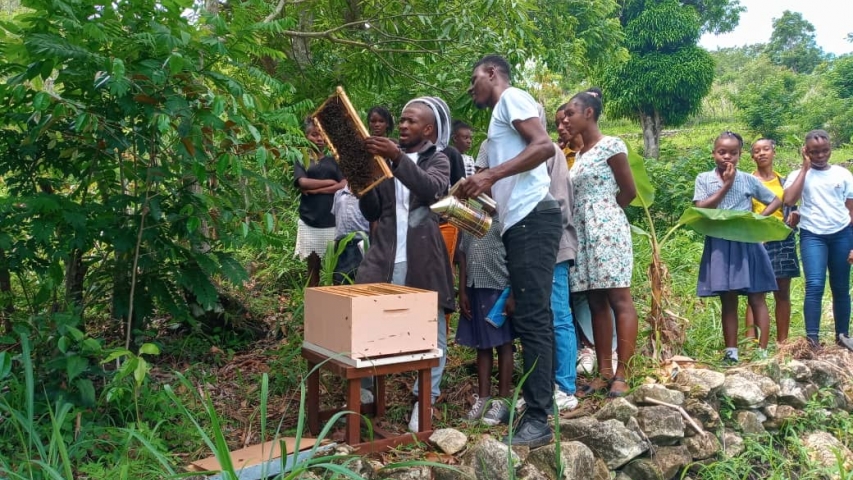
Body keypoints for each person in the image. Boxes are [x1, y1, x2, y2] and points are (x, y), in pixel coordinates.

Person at [459, 54, 562, 448]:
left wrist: (490, 174)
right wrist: (478, 188)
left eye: (474, 79)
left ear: (491, 73)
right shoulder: (498, 118)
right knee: (533, 316)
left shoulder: (512, 97)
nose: (472, 88)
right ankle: (540, 407)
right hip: (521, 222)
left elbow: (544, 146)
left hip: (534, 218)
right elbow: (511, 171)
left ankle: (537, 419)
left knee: (534, 318)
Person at [357, 99, 455, 432]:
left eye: (410, 121)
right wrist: (362, 178)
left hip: (424, 260)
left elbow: (431, 190)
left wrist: (396, 157)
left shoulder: (437, 159)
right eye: (401, 120)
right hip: (383, 257)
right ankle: (366, 392)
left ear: (428, 129)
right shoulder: (383, 159)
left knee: (433, 332)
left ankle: (424, 399)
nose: (402, 125)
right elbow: (372, 211)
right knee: (366, 323)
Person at [562, 91, 638, 397]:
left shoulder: (612, 145)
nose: (565, 119)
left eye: (570, 113)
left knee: (619, 298)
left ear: (589, 113)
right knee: (595, 301)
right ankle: (604, 372)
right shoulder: (579, 155)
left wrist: (605, 213)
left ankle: (623, 372)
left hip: (607, 230)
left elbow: (629, 191)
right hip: (582, 233)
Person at [694, 131, 781, 363]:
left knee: (757, 297)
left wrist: (759, 220)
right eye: (722, 152)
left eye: (733, 153)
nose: (727, 157)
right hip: (720, 242)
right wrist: (726, 186)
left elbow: (776, 199)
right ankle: (731, 352)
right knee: (728, 299)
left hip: (747, 241)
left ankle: (762, 351)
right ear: (714, 153)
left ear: (740, 155)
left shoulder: (748, 179)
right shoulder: (704, 179)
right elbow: (701, 208)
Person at [783, 129, 853, 352]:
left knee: (841, 287)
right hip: (813, 235)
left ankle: (843, 335)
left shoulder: (843, 175)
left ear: (830, 149)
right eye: (814, 152)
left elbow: (851, 211)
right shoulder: (797, 175)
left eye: (824, 151)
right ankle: (812, 339)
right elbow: (790, 199)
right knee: (814, 285)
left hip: (842, 234)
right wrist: (805, 168)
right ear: (806, 151)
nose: (820, 155)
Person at [456, 215, 514, 426]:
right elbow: (462, 256)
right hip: (474, 287)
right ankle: (483, 398)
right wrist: (462, 290)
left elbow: (515, 256)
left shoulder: (505, 216)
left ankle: (504, 398)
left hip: (499, 286)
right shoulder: (470, 217)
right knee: (482, 345)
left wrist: (512, 294)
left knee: (504, 343)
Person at [744, 138, 800, 344]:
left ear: (773, 152)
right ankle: (751, 342)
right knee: (755, 293)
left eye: (766, 149)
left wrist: (795, 218)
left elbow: (792, 207)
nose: (761, 153)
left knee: (782, 291)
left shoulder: (784, 182)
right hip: (756, 240)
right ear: (752, 157)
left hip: (782, 239)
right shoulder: (746, 181)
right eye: (757, 151)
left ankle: (782, 343)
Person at [293, 117, 345, 287]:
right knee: (313, 268)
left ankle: (335, 307)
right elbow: (303, 182)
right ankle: (312, 308)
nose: (319, 139)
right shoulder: (301, 158)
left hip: (332, 221)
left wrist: (317, 190)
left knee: (336, 269)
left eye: (322, 135)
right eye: (314, 135)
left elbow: (344, 185)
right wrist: (331, 183)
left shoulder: (334, 160)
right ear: (306, 136)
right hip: (309, 221)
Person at [330, 183, 370, 285]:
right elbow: (336, 216)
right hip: (342, 245)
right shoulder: (339, 194)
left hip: (361, 242)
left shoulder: (368, 193)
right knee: (340, 279)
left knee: (362, 280)